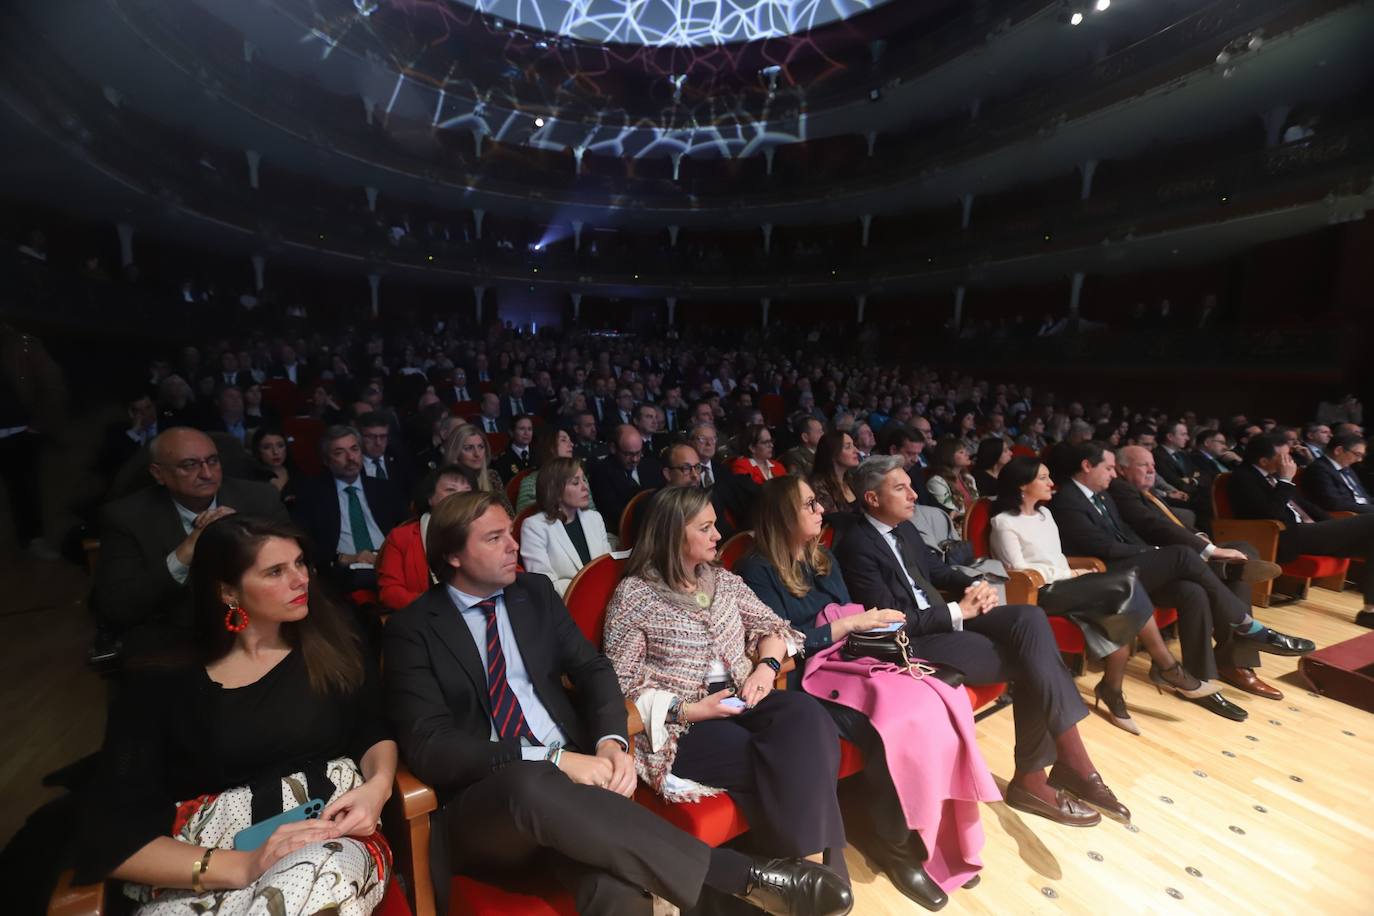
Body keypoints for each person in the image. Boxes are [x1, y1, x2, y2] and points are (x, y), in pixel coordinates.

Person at [384, 492, 852, 916]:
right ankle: (735, 877)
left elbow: (593, 671)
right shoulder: (413, 630)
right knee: (530, 782)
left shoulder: (533, 594)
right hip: (488, 807)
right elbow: (431, 747)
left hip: (579, 790)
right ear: (452, 555)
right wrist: (555, 758)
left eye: (511, 532)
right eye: (494, 538)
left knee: (617, 889)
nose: (513, 545)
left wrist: (609, 741)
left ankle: (746, 901)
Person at [74, 515, 396, 916]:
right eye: (276, 571)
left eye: (300, 563)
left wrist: (378, 786)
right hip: (212, 854)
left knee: (306, 886)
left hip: (326, 834)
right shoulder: (160, 680)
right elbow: (112, 835)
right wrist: (243, 865)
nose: (300, 580)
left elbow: (371, 728)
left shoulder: (334, 641)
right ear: (228, 592)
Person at [738, 478, 998, 909]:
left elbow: (851, 615)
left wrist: (862, 624)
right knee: (893, 724)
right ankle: (893, 847)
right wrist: (846, 625)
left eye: (817, 500)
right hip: (809, 674)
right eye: (808, 503)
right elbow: (781, 641)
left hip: (858, 657)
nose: (821, 508)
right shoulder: (756, 570)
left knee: (939, 698)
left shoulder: (822, 558)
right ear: (782, 516)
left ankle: (935, 831)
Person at [835, 455, 1126, 826]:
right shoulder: (857, 545)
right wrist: (960, 611)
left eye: (910, 484)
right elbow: (893, 619)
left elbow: (936, 569)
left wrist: (973, 584)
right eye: (900, 488)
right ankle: (1050, 774)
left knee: (1030, 618)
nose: (913, 494)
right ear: (872, 499)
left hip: (944, 621)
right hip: (911, 643)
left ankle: (1062, 769)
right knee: (1032, 659)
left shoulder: (904, 529)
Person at [602, 487, 852, 890]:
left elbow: (774, 629)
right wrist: (689, 710)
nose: (719, 535)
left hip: (745, 697)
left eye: (715, 524)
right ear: (671, 535)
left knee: (809, 717)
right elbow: (622, 683)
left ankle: (802, 870)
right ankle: (821, 864)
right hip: (686, 723)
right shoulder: (634, 596)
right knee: (776, 757)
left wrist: (767, 669)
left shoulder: (721, 579)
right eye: (706, 528)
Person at [1050, 441, 1308, 720]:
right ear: (1087, 466)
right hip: (1105, 577)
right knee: (1184, 556)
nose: (1113, 475)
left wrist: (1158, 555)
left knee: (1191, 591)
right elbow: (1102, 547)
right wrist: (1158, 554)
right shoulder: (1067, 500)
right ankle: (1246, 624)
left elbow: (1124, 533)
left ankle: (1200, 677)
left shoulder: (1099, 496)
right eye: (1109, 468)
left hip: (1131, 566)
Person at [989, 458, 1213, 734]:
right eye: (1043, 478)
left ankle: (1112, 690)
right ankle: (1166, 666)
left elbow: (1057, 557)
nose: (1051, 483)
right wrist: (1071, 574)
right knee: (1128, 583)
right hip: (1039, 593)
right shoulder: (1003, 523)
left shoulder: (1045, 515)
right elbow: (1018, 571)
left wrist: (1074, 571)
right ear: (1023, 485)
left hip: (1067, 585)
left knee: (1118, 615)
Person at [1109, 447, 1299, 700]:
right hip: (1158, 564)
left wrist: (1201, 539)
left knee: (1243, 551)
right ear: (1121, 470)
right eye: (1143, 465)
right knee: (1228, 571)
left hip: (1179, 557)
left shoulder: (1147, 493)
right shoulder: (1121, 490)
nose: (1153, 470)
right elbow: (1151, 526)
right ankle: (1234, 661)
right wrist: (1210, 550)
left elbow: (1172, 523)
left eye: (1153, 464)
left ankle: (1233, 656)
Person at [95, 428, 287, 658]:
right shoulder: (125, 517)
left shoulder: (260, 498)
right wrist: (186, 550)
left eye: (213, 461)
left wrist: (247, 536)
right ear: (158, 473)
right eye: (190, 465)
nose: (207, 473)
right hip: (179, 639)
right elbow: (119, 605)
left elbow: (296, 564)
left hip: (262, 624)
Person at [1229, 434, 1374, 628]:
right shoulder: (1243, 478)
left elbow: (1307, 507)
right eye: (1284, 457)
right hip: (1284, 535)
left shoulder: (1274, 476)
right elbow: (1269, 513)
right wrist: (1286, 481)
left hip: (1309, 530)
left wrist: (1336, 526)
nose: (1290, 462)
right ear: (1264, 461)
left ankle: (1369, 611)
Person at [292, 425, 407, 592]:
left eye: (354, 449)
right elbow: (303, 540)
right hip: (344, 569)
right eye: (339, 453)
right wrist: (342, 558)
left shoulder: (385, 489)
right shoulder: (312, 496)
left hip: (389, 560)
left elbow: (408, 528)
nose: (350, 457)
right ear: (326, 461)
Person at [376, 466, 472, 611]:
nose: (460, 498)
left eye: (466, 492)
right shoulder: (402, 537)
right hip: (427, 618)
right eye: (451, 490)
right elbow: (390, 593)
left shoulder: (487, 530)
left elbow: (510, 573)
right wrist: (439, 607)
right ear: (430, 498)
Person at [520, 457, 610, 596]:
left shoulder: (594, 518)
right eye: (575, 482)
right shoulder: (534, 527)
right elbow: (544, 585)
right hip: (567, 606)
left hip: (604, 596)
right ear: (555, 490)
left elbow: (607, 567)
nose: (585, 487)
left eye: (584, 480)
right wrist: (587, 589)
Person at [587, 425, 662, 535]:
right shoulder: (601, 472)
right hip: (623, 532)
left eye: (638, 453)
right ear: (613, 448)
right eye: (628, 454)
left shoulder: (652, 466)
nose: (635, 459)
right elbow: (611, 511)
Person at [1300, 431, 1371, 514]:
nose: (1359, 460)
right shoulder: (1318, 469)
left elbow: (1363, 496)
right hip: (1346, 517)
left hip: (1364, 511)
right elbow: (1334, 503)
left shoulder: (1348, 468)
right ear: (1338, 450)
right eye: (1357, 454)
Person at [440, 423, 510, 508]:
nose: (477, 454)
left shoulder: (492, 476)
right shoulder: (446, 482)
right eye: (468, 448)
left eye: (481, 447)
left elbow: (508, 514)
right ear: (456, 452)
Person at [516, 424, 582, 512]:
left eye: (570, 440)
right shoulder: (530, 482)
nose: (571, 444)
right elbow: (525, 518)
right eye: (563, 440)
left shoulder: (578, 474)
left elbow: (590, 510)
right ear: (549, 446)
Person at [925, 439, 979, 528]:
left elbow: (977, 503)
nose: (967, 454)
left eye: (966, 451)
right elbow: (952, 513)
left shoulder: (968, 477)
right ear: (948, 456)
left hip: (973, 521)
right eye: (961, 452)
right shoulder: (936, 482)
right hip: (956, 526)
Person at [809, 431, 862, 516]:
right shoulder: (817, 485)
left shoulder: (851, 479)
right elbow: (834, 520)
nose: (857, 450)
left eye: (854, 445)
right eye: (848, 447)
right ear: (833, 453)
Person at [251, 426, 297, 505]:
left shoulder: (297, 474)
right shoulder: (252, 480)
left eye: (280, 446)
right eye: (267, 447)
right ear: (258, 451)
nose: (275, 452)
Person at [493, 415, 536, 484]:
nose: (526, 433)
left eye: (529, 429)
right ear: (511, 432)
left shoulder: (539, 454)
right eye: (522, 429)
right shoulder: (502, 460)